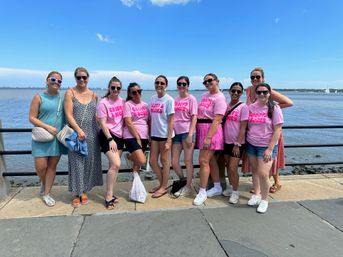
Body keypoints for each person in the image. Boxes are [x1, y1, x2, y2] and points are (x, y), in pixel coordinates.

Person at [244, 67, 293, 193]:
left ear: (263, 78)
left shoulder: (267, 90)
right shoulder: (249, 90)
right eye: (252, 77)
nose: (255, 79)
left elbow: (289, 102)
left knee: (270, 158)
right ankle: (261, 185)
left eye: (258, 77)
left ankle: (277, 182)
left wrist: (270, 108)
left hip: (271, 132)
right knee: (261, 162)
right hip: (255, 131)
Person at [64, 67, 102, 208]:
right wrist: (78, 130)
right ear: (75, 78)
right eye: (79, 77)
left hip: (92, 133)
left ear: (88, 78)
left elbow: (96, 116)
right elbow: (68, 114)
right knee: (76, 163)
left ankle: (84, 190)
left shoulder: (94, 95)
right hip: (76, 134)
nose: (82, 80)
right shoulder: (70, 93)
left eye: (84, 77)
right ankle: (76, 193)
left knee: (88, 163)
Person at [29, 71, 67, 206]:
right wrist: (47, 127)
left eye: (59, 81)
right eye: (53, 79)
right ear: (47, 80)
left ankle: (46, 193)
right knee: (41, 167)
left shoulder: (63, 98)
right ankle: (44, 184)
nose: (56, 82)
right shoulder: (39, 97)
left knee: (51, 167)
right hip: (41, 137)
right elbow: (32, 118)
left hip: (57, 137)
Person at [246, 83, 283, 213]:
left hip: (266, 146)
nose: (262, 94)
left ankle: (264, 200)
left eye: (265, 92)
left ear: (269, 93)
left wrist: (270, 149)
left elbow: (278, 130)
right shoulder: (251, 107)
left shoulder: (274, 108)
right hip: (251, 144)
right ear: (255, 94)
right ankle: (256, 194)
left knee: (263, 174)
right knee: (255, 170)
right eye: (259, 92)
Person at [193, 73, 227, 206]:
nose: (207, 83)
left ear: (217, 81)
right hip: (202, 130)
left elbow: (218, 119)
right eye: (205, 82)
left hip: (211, 131)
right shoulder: (204, 96)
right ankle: (217, 186)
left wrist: (208, 137)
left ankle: (202, 191)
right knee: (211, 160)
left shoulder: (220, 98)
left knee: (203, 161)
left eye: (209, 80)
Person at [96, 76, 125, 209]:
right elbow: (102, 123)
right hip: (108, 136)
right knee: (116, 164)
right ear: (109, 88)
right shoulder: (103, 102)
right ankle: (108, 196)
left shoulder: (123, 101)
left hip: (120, 136)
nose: (115, 90)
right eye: (113, 87)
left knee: (113, 167)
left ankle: (111, 193)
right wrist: (110, 139)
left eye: (118, 88)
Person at [222, 82, 249, 204]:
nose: (235, 93)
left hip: (237, 143)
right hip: (225, 141)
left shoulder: (243, 107)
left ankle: (236, 192)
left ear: (242, 93)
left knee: (233, 168)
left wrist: (237, 144)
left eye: (238, 91)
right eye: (233, 91)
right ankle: (231, 187)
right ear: (229, 91)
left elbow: (243, 127)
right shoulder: (226, 106)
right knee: (228, 166)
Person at [148, 75, 175, 198]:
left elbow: (171, 121)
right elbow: (151, 119)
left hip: (165, 136)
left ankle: (163, 187)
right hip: (154, 135)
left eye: (162, 83)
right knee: (152, 161)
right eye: (157, 82)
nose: (159, 85)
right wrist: (149, 134)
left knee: (165, 162)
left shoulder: (169, 100)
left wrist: (169, 140)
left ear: (166, 85)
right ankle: (162, 184)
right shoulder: (152, 98)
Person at [171, 76, 197, 197]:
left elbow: (194, 117)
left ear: (188, 86)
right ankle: (184, 180)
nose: (181, 86)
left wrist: (191, 134)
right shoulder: (175, 99)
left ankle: (188, 187)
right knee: (174, 161)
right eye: (179, 84)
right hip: (176, 133)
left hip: (187, 132)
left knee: (188, 161)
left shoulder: (191, 99)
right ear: (177, 86)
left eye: (184, 84)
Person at [123, 82, 149, 183]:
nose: (137, 94)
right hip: (131, 136)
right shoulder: (127, 105)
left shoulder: (146, 105)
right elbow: (128, 122)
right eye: (134, 92)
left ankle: (135, 186)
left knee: (137, 164)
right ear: (130, 94)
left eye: (139, 91)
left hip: (144, 136)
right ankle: (129, 156)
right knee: (142, 160)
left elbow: (149, 121)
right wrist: (137, 137)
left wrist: (149, 137)